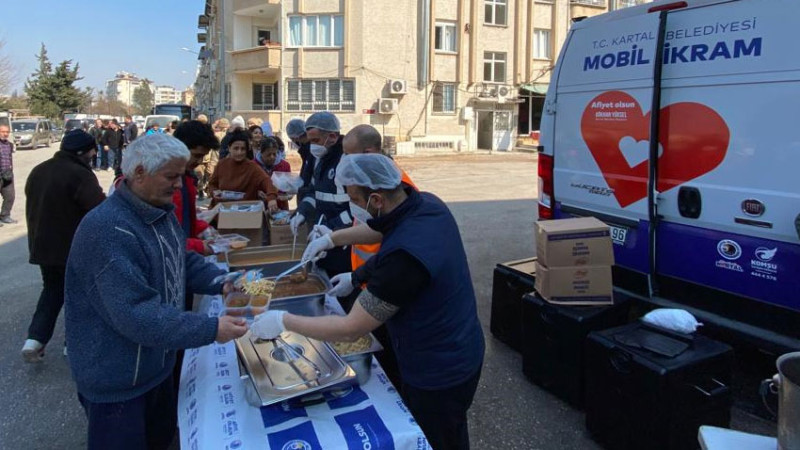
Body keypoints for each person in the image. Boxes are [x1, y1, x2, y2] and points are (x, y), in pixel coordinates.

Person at [253, 154, 485, 450]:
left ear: (375, 198)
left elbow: (352, 328)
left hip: (438, 368)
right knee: (451, 428)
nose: (352, 206)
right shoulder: (425, 204)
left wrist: (283, 321)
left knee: (438, 437)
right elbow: (383, 231)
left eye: (354, 199)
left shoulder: (404, 259)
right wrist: (335, 242)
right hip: (463, 343)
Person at [64, 133, 249, 449]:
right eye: (172, 176)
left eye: (182, 175)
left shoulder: (157, 212)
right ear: (138, 173)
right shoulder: (108, 230)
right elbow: (136, 314)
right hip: (119, 383)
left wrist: (221, 282)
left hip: (156, 368)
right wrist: (211, 328)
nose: (179, 185)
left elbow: (179, 259)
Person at [21, 130, 105, 362]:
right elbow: (99, 209)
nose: (93, 154)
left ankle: (34, 340)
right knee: (79, 296)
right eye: (92, 150)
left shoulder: (39, 170)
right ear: (85, 151)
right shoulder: (80, 174)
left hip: (42, 247)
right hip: (72, 250)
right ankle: (74, 344)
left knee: (51, 292)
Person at [291, 111, 353, 277]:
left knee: (339, 280)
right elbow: (314, 191)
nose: (312, 146)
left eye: (315, 140)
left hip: (344, 239)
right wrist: (302, 212)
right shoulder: (321, 157)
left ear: (332, 137)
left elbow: (358, 209)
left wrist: (331, 228)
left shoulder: (347, 161)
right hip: (324, 230)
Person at [172, 120, 220, 255]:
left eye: (203, 156)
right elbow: (163, 238)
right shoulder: (162, 185)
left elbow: (187, 218)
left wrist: (204, 229)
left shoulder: (187, 179)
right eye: (196, 155)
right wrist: (199, 246)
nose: (199, 161)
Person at [207, 130, 279, 211]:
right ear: (229, 148)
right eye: (236, 148)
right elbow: (212, 184)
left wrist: (271, 198)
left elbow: (267, 181)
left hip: (245, 212)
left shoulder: (252, 167)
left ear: (247, 150)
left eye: (243, 149)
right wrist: (214, 192)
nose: (239, 152)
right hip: (222, 211)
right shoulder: (221, 164)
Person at [254, 137, 291, 210]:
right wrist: (256, 192)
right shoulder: (253, 166)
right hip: (259, 207)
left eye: (274, 154)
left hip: (280, 207)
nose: (272, 157)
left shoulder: (284, 165)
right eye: (268, 154)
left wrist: (287, 194)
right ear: (261, 152)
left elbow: (288, 187)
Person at [0, 124, 16, 224]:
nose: (5, 134)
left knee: (10, 196)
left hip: (7, 174)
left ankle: (5, 215)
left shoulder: (9, 145)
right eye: (3, 132)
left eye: (7, 132)